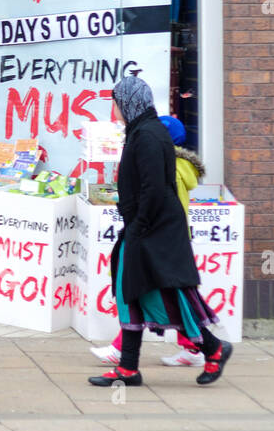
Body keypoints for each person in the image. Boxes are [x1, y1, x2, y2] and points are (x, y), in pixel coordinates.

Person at [87, 76, 231, 389]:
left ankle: (213, 347)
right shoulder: (142, 131)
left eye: (115, 102)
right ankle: (128, 368)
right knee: (137, 293)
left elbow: (153, 188)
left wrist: (138, 227)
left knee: (162, 292)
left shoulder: (148, 135)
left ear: (128, 102)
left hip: (153, 230)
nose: (113, 109)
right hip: (148, 228)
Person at [90, 113, 208, 369]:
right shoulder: (175, 164)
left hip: (164, 239)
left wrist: (140, 224)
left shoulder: (168, 166)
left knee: (155, 294)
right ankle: (196, 347)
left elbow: (156, 200)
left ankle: (202, 347)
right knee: (166, 296)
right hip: (169, 238)